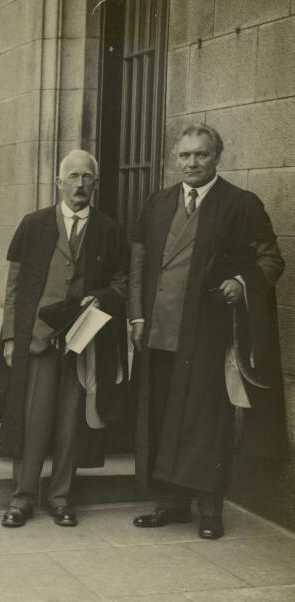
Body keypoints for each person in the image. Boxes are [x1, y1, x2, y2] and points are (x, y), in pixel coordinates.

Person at [129, 124, 286, 540]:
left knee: (206, 423)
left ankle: (210, 511)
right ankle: (170, 504)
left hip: (208, 334)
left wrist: (242, 281)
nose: (191, 163)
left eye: (200, 155)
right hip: (160, 330)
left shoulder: (241, 204)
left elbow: (272, 260)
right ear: (175, 158)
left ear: (218, 156)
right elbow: (139, 266)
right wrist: (137, 317)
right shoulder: (158, 203)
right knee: (164, 418)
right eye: (184, 156)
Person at [0, 150, 128, 528]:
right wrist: (12, 339)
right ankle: (22, 497)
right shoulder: (34, 224)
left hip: (83, 340)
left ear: (95, 183)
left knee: (70, 422)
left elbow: (122, 281)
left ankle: (61, 496)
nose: (80, 185)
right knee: (33, 420)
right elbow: (14, 286)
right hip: (38, 340)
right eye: (73, 177)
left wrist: (102, 298)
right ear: (59, 182)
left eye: (87, 178)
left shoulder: (109, 230)